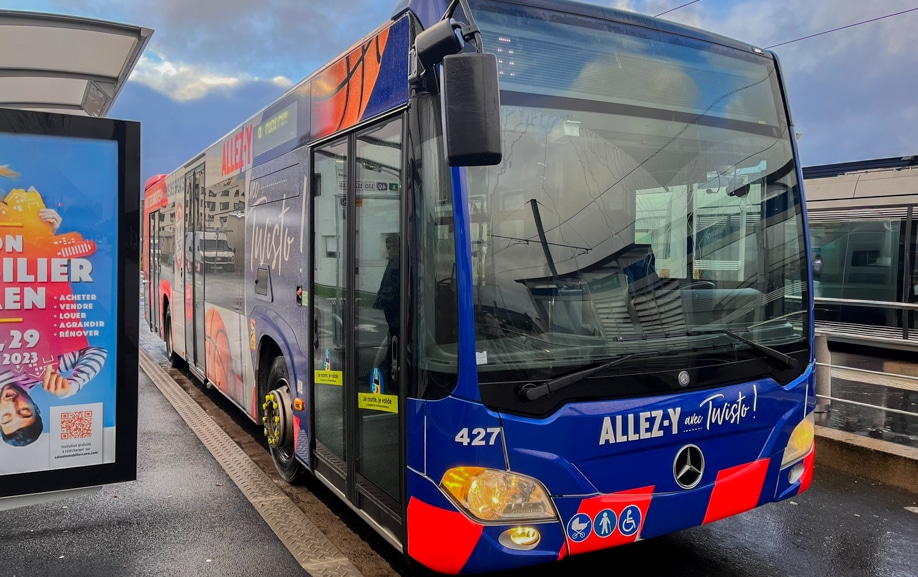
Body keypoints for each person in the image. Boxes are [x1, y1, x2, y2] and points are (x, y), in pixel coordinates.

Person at [0, 346, 107, 447]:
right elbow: (98, 353)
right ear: (36, 407)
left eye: (6, 416)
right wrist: (70, 387)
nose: (12, 404)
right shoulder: (40, 371)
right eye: (24, 410)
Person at [373, 233, 400, 385]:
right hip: (390, 305)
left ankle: (385, 369)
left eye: (390, 246)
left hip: (393, 305)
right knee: (393, 336)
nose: (388, 249)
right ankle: (384, 368)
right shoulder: (394, 261)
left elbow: (391, 286)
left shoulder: (397, 262)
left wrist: (383, 299)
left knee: (395, 336)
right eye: (387, 246)